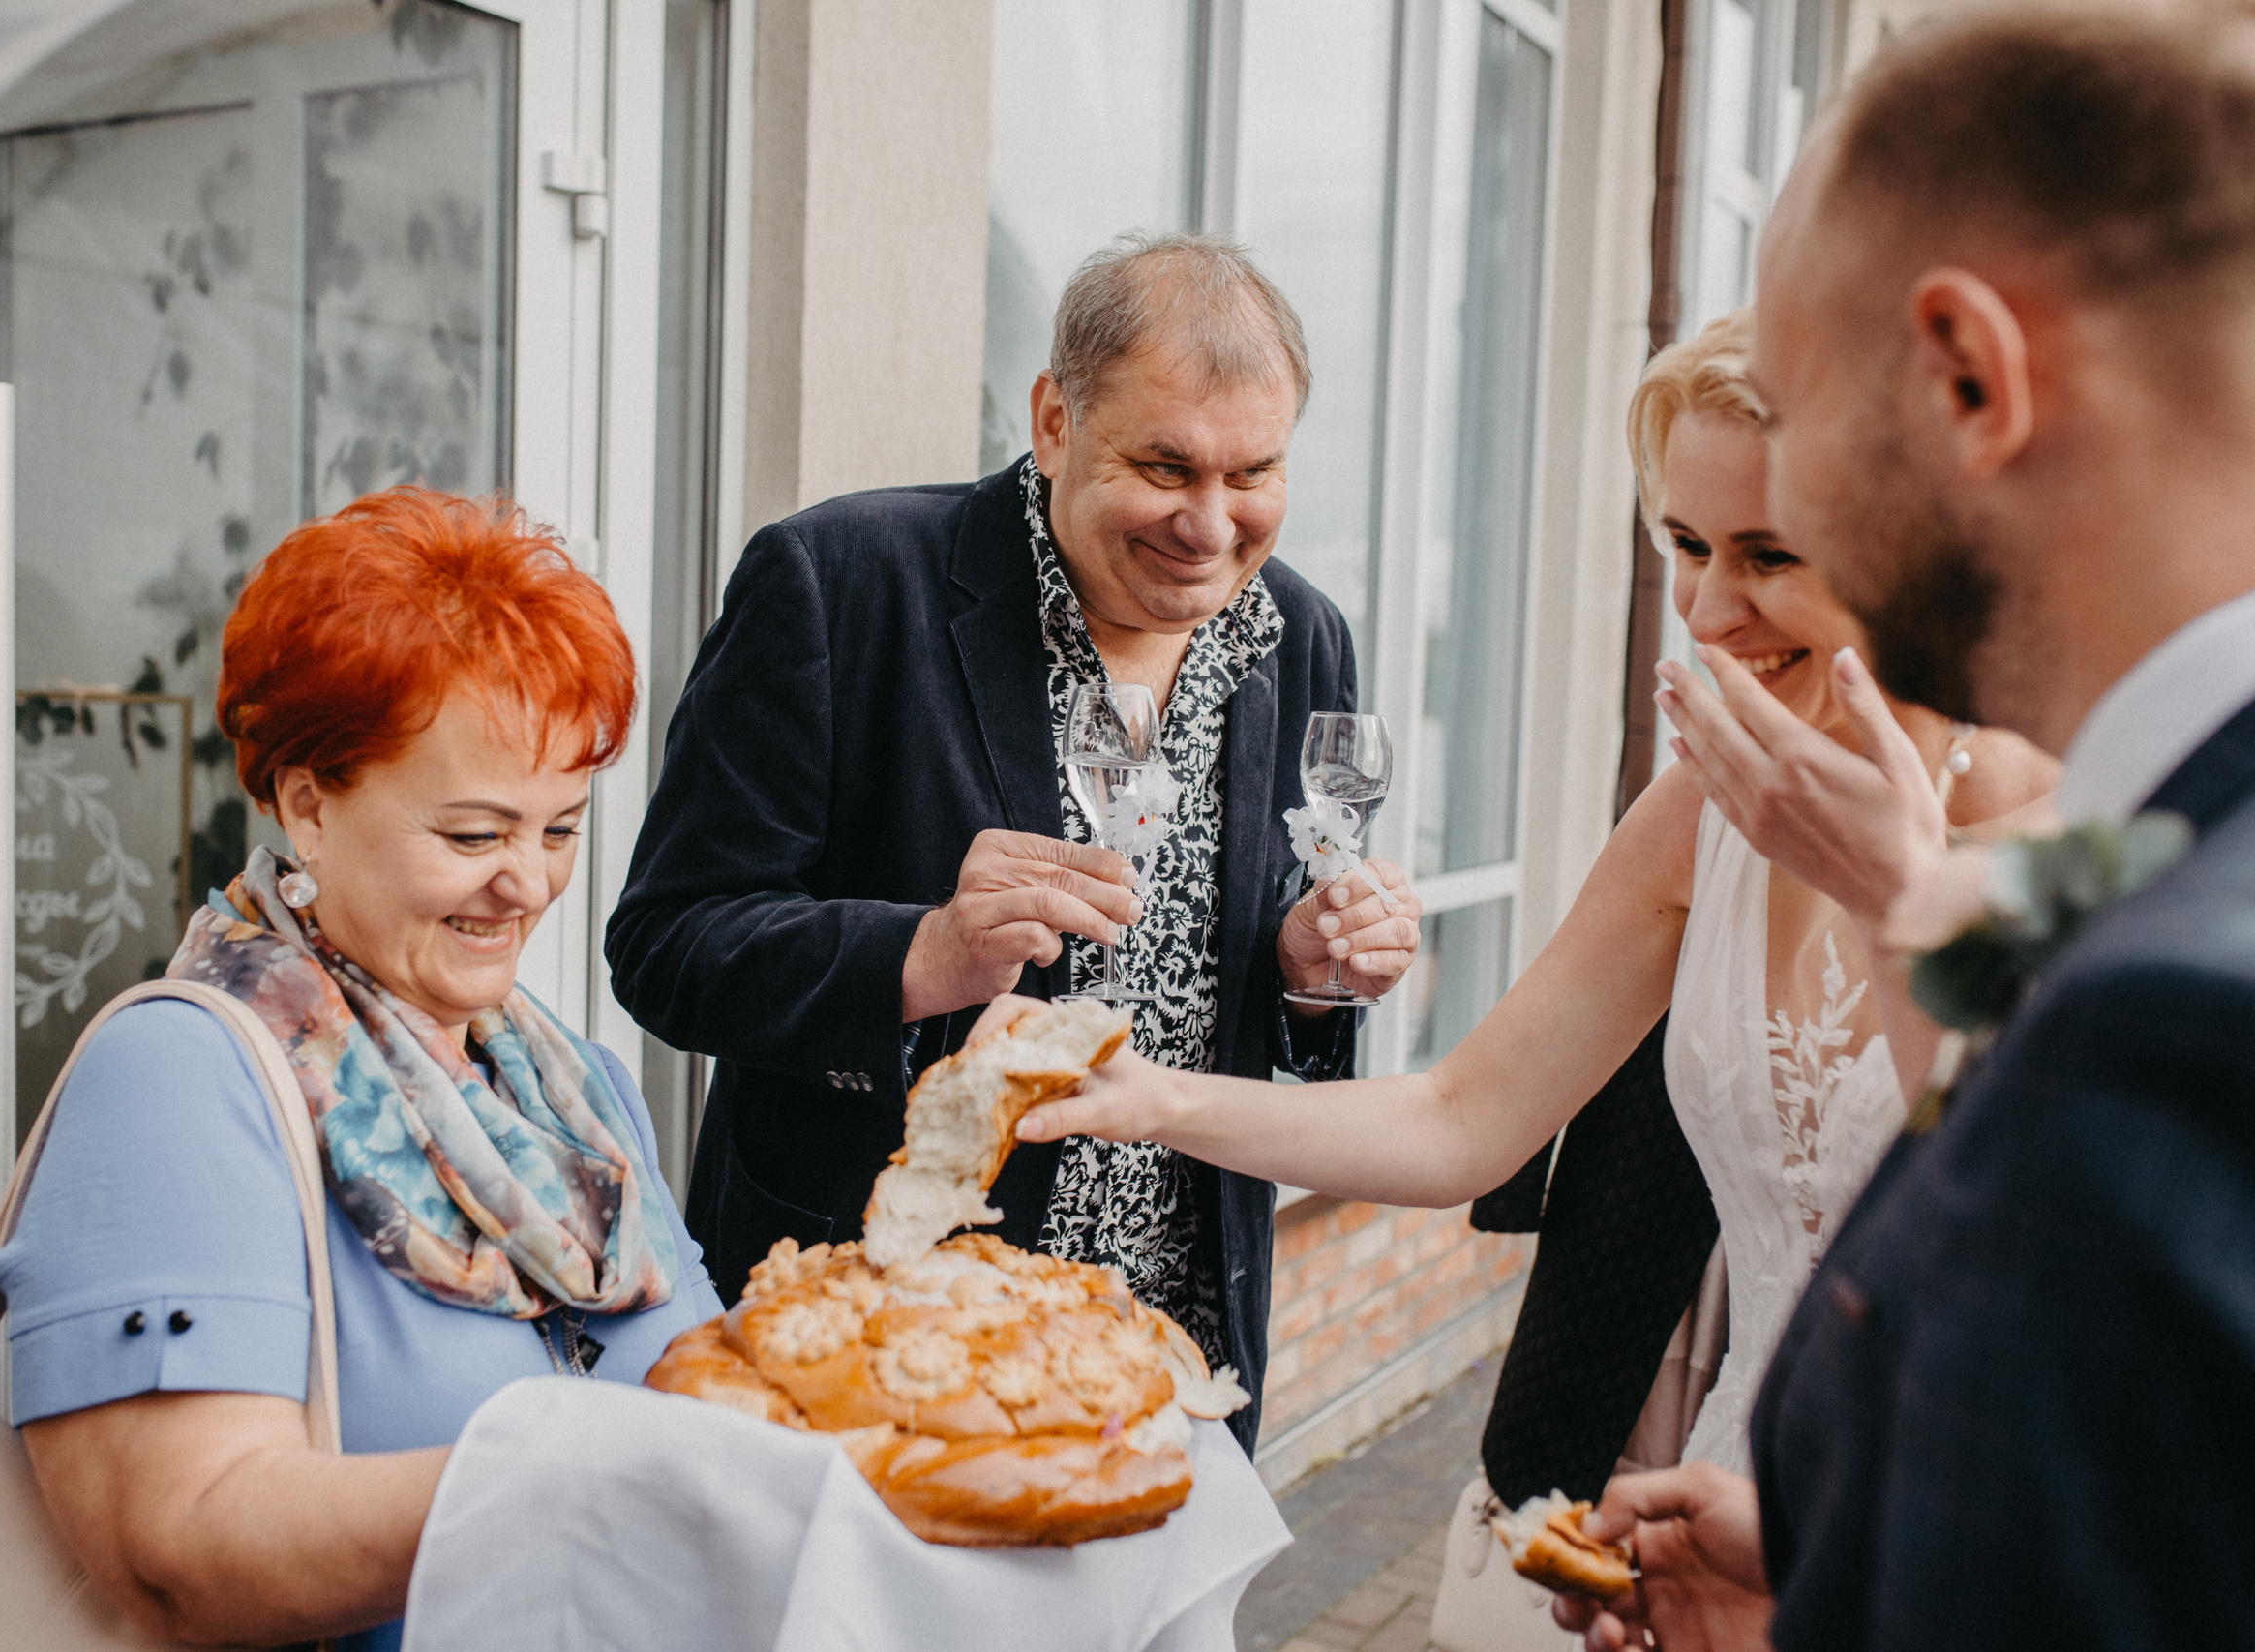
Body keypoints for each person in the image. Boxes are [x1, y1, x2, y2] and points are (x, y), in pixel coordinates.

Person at [992, 307, 2055, 1481]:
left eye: (1770, 556)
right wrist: (1149, 1097)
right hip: (1734, 1472)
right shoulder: (1696, 812)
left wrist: (1897, 898)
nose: (1708, 615)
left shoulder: (2086, 830)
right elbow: (1459, 1119)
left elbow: (2051, 1230)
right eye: (1686, 545)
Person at [1552, 8, 2255, 1649]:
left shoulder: (2169, 1023)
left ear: (1968, 378)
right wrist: (1834, 1563)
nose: (1731, 584)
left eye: (1799, 410)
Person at [605, 232, 1422, 1442]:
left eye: (1253, 473)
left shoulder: (1305, 636)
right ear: (1052, 421)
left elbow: (1266, 1023)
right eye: (1164, 466)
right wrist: (918, 953)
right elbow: (667, 945)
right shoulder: (838, 580)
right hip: (884, 1338)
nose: (1211, 526)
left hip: (1169, 1360)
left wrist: (1310, 979)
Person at [0, 488, 722, 1650]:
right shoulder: (182, 1076)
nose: (528, 884)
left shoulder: (578, 1092)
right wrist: (566, 1474)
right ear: (308, 807)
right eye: (474, 834)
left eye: (559, 829)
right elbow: (181, 1547)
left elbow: (720, 1403)